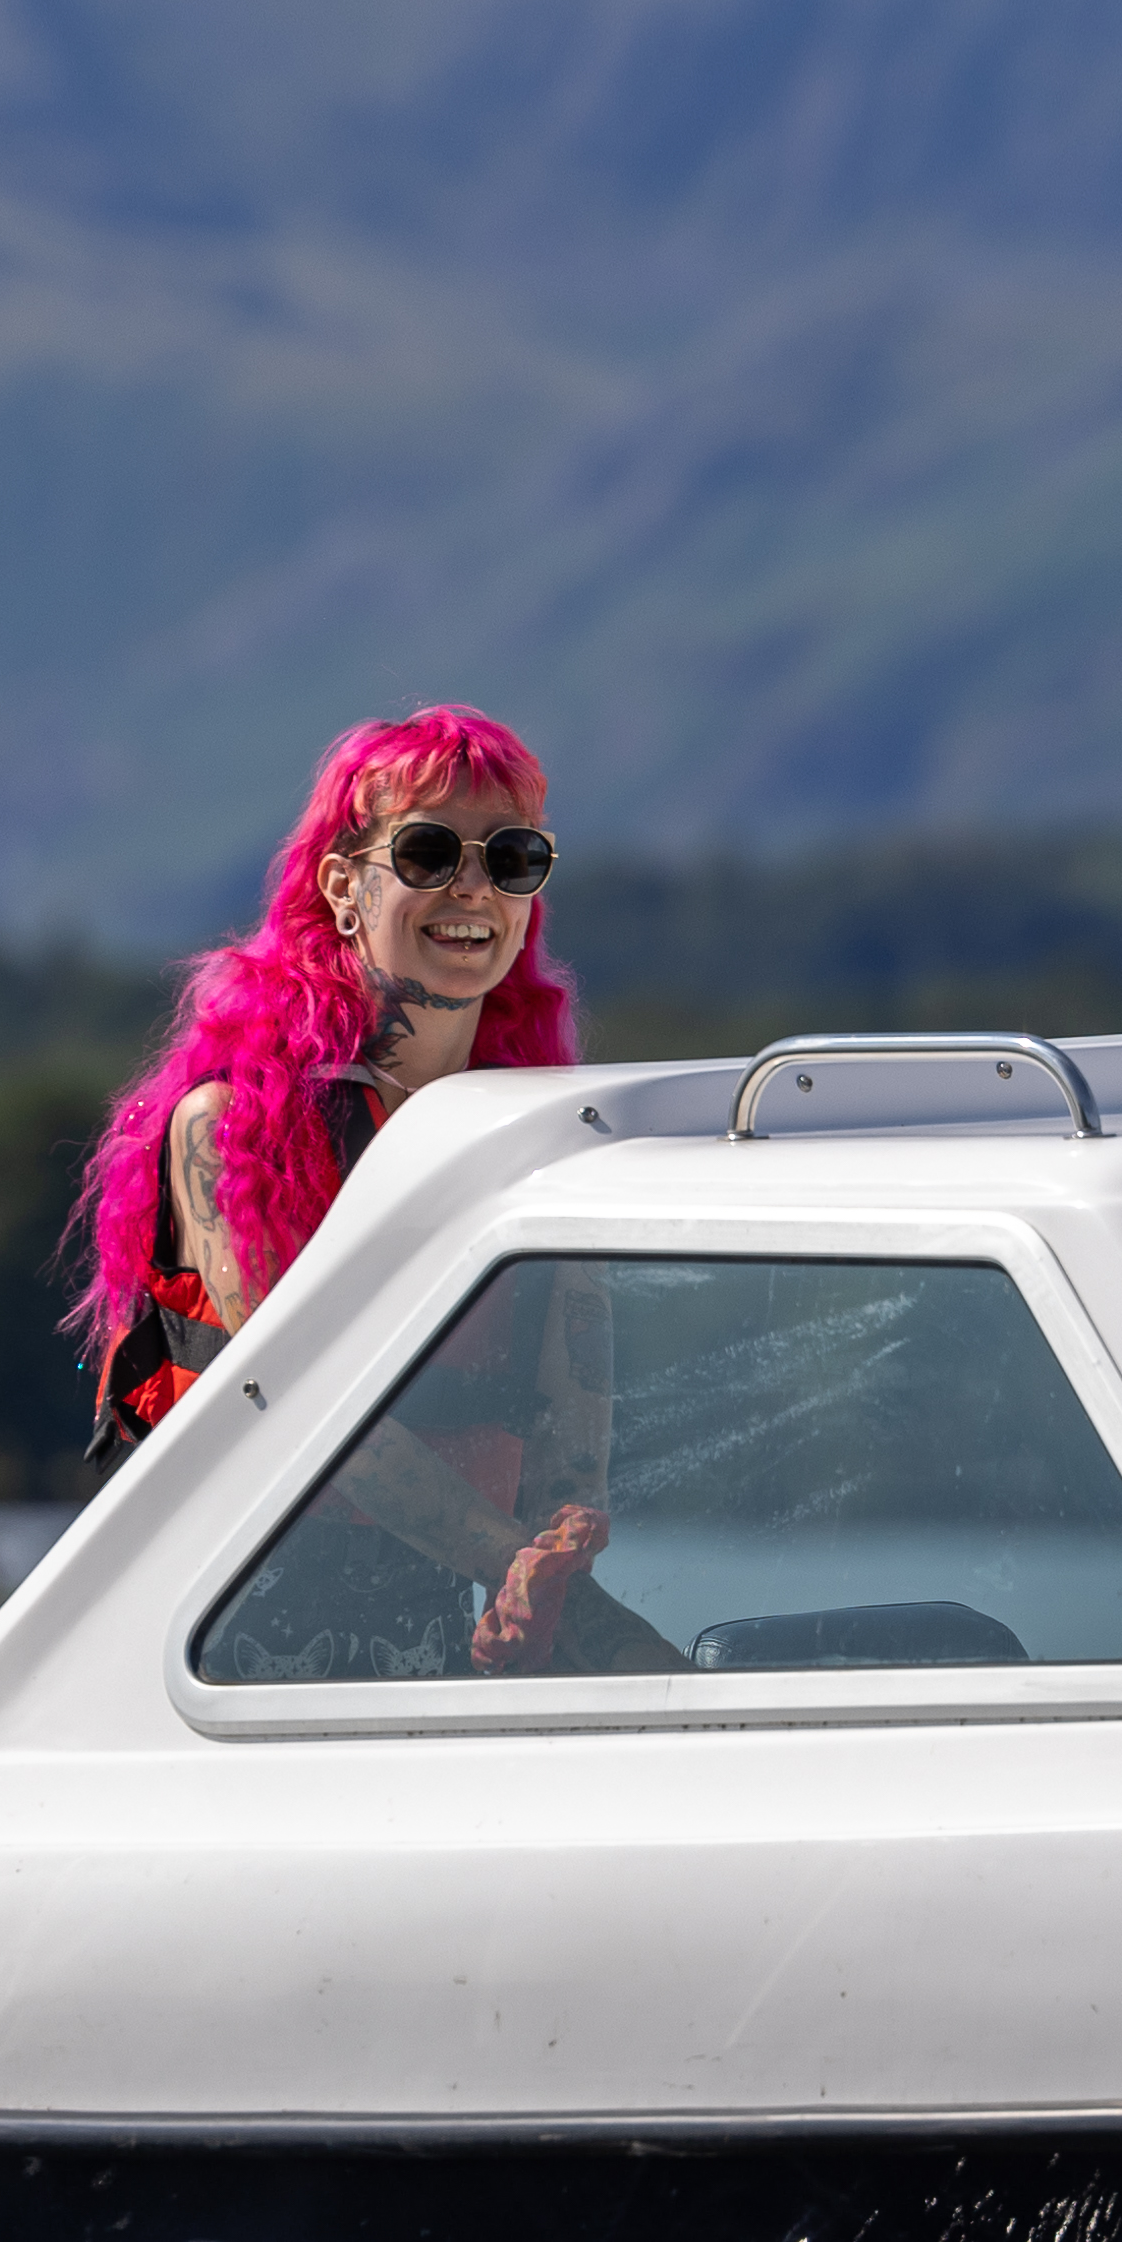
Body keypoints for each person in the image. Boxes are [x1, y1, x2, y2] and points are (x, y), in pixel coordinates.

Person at [77, 706, 666, 1678]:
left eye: (512, 859)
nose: (474, 886)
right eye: (431, 852)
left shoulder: (546, 1148)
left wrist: (558, 1582)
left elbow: (572, 1439)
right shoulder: (228, 1136)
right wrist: (514, 1565)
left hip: (423, 1670)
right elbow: (305, 1407)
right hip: (205, 1671)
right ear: (343, 891)